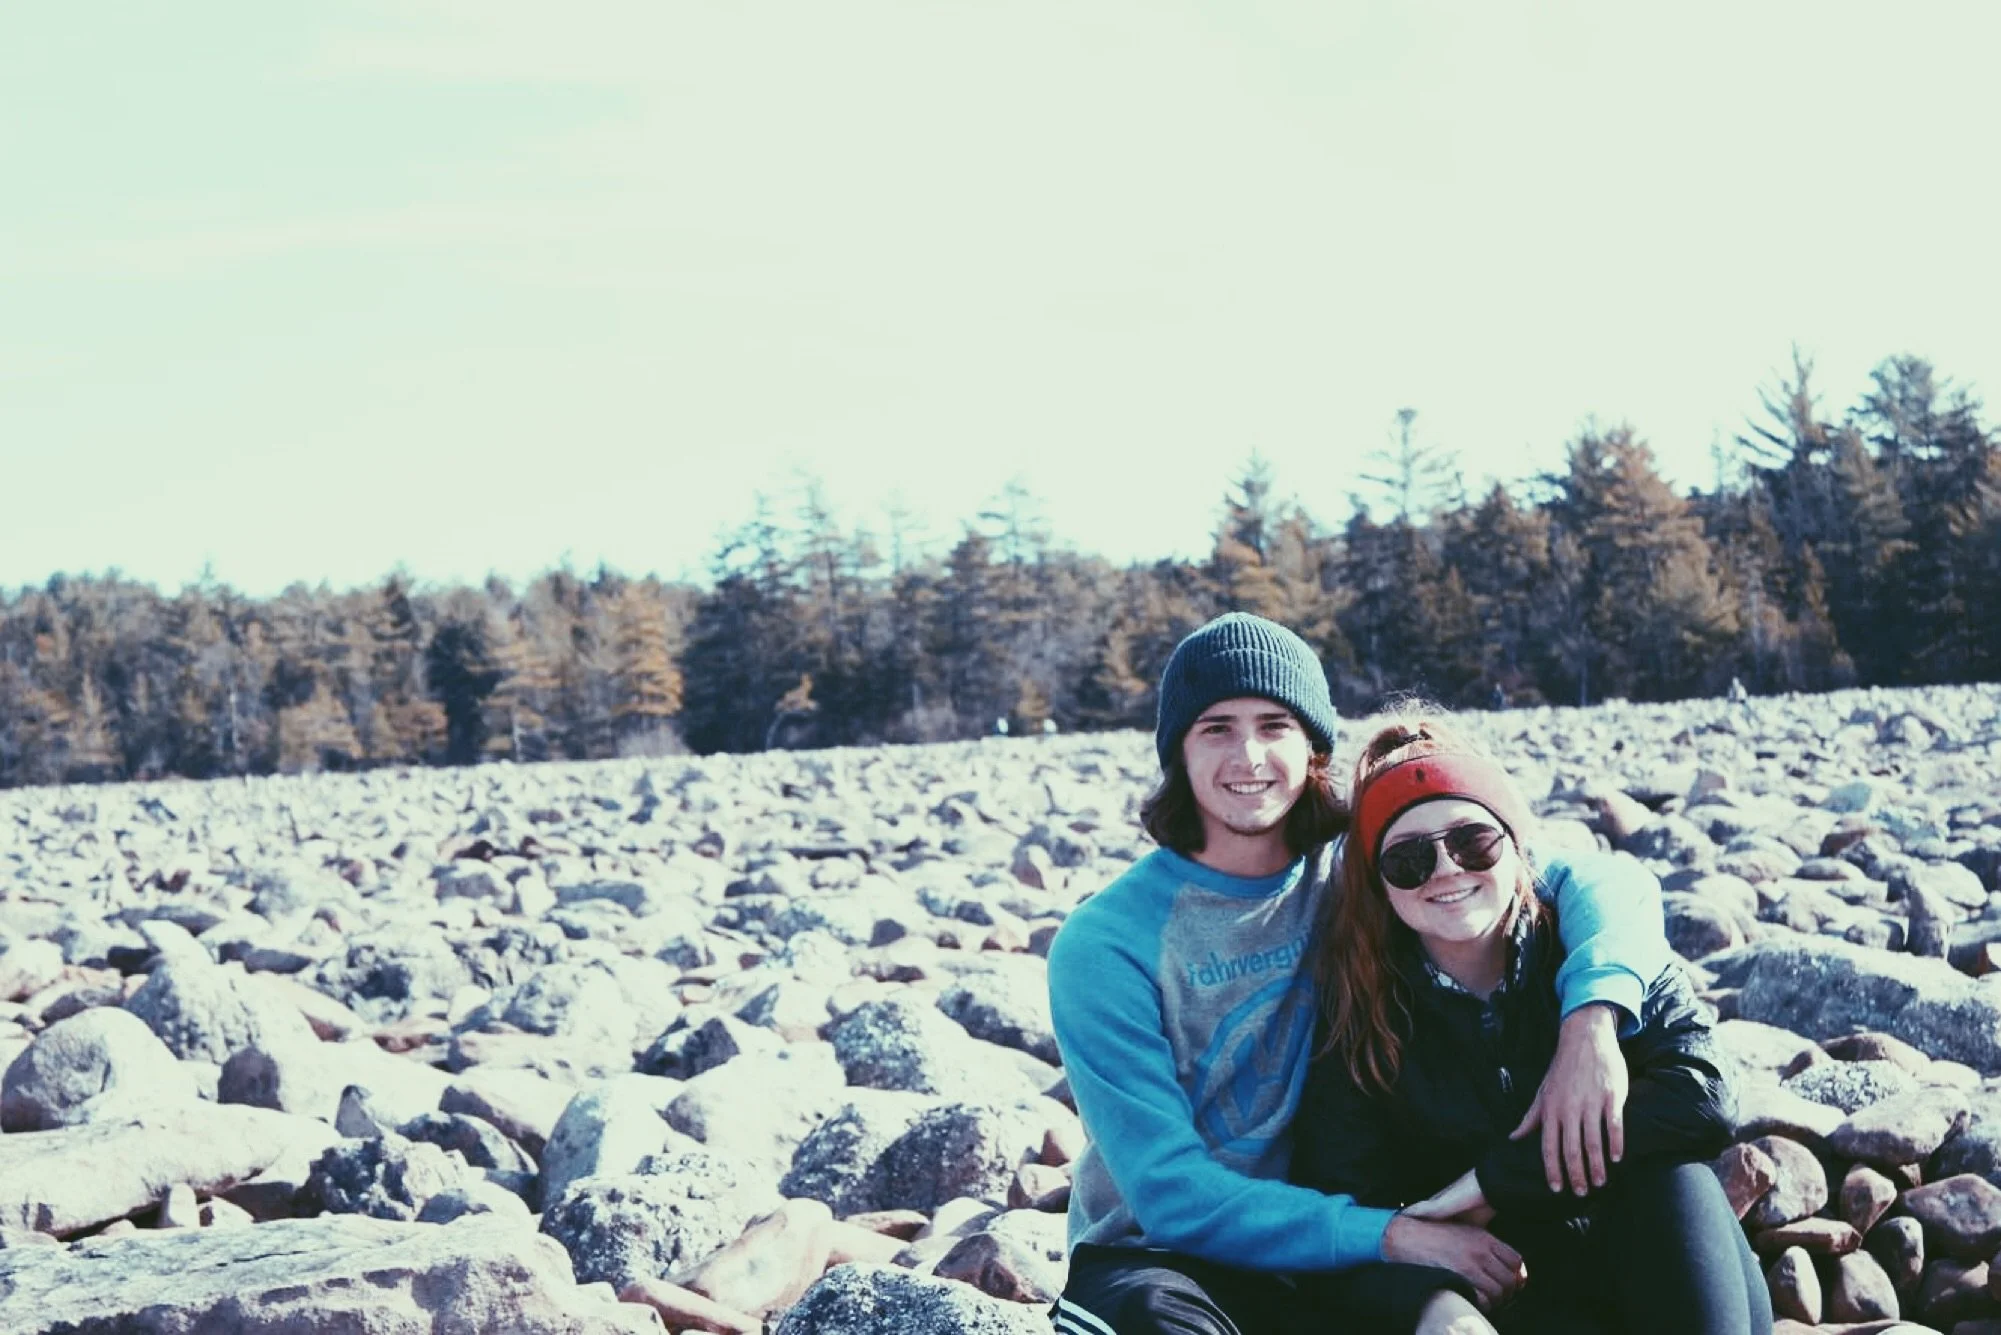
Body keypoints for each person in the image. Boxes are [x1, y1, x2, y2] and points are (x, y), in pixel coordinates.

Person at [1046, 614, 1678, 1335]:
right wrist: (1398, 1233)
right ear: (1177, 753)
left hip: (1338, 1253)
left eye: (1274, 724)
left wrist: (1591, 1020)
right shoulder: (1106, 942)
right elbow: (1170, 1194)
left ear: (1313, 743)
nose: (1247, 753)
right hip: (1165, 1261)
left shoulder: (1364, 866)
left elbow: (1599, 878)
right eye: (1214, 727)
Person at [1290, 714, 1768, 1335]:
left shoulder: (1596, 949)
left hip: (1662, 1266)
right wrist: (1432, 1304)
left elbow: (1702, 1094)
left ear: (1516, 847)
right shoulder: (1363, 1014)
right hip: (1511, 1298)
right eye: (1408, 859)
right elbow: (1342, 1211)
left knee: (1674, 1182)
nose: (1446, 870)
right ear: (1379, 886)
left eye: (1472, 841)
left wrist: (1496, 1182)